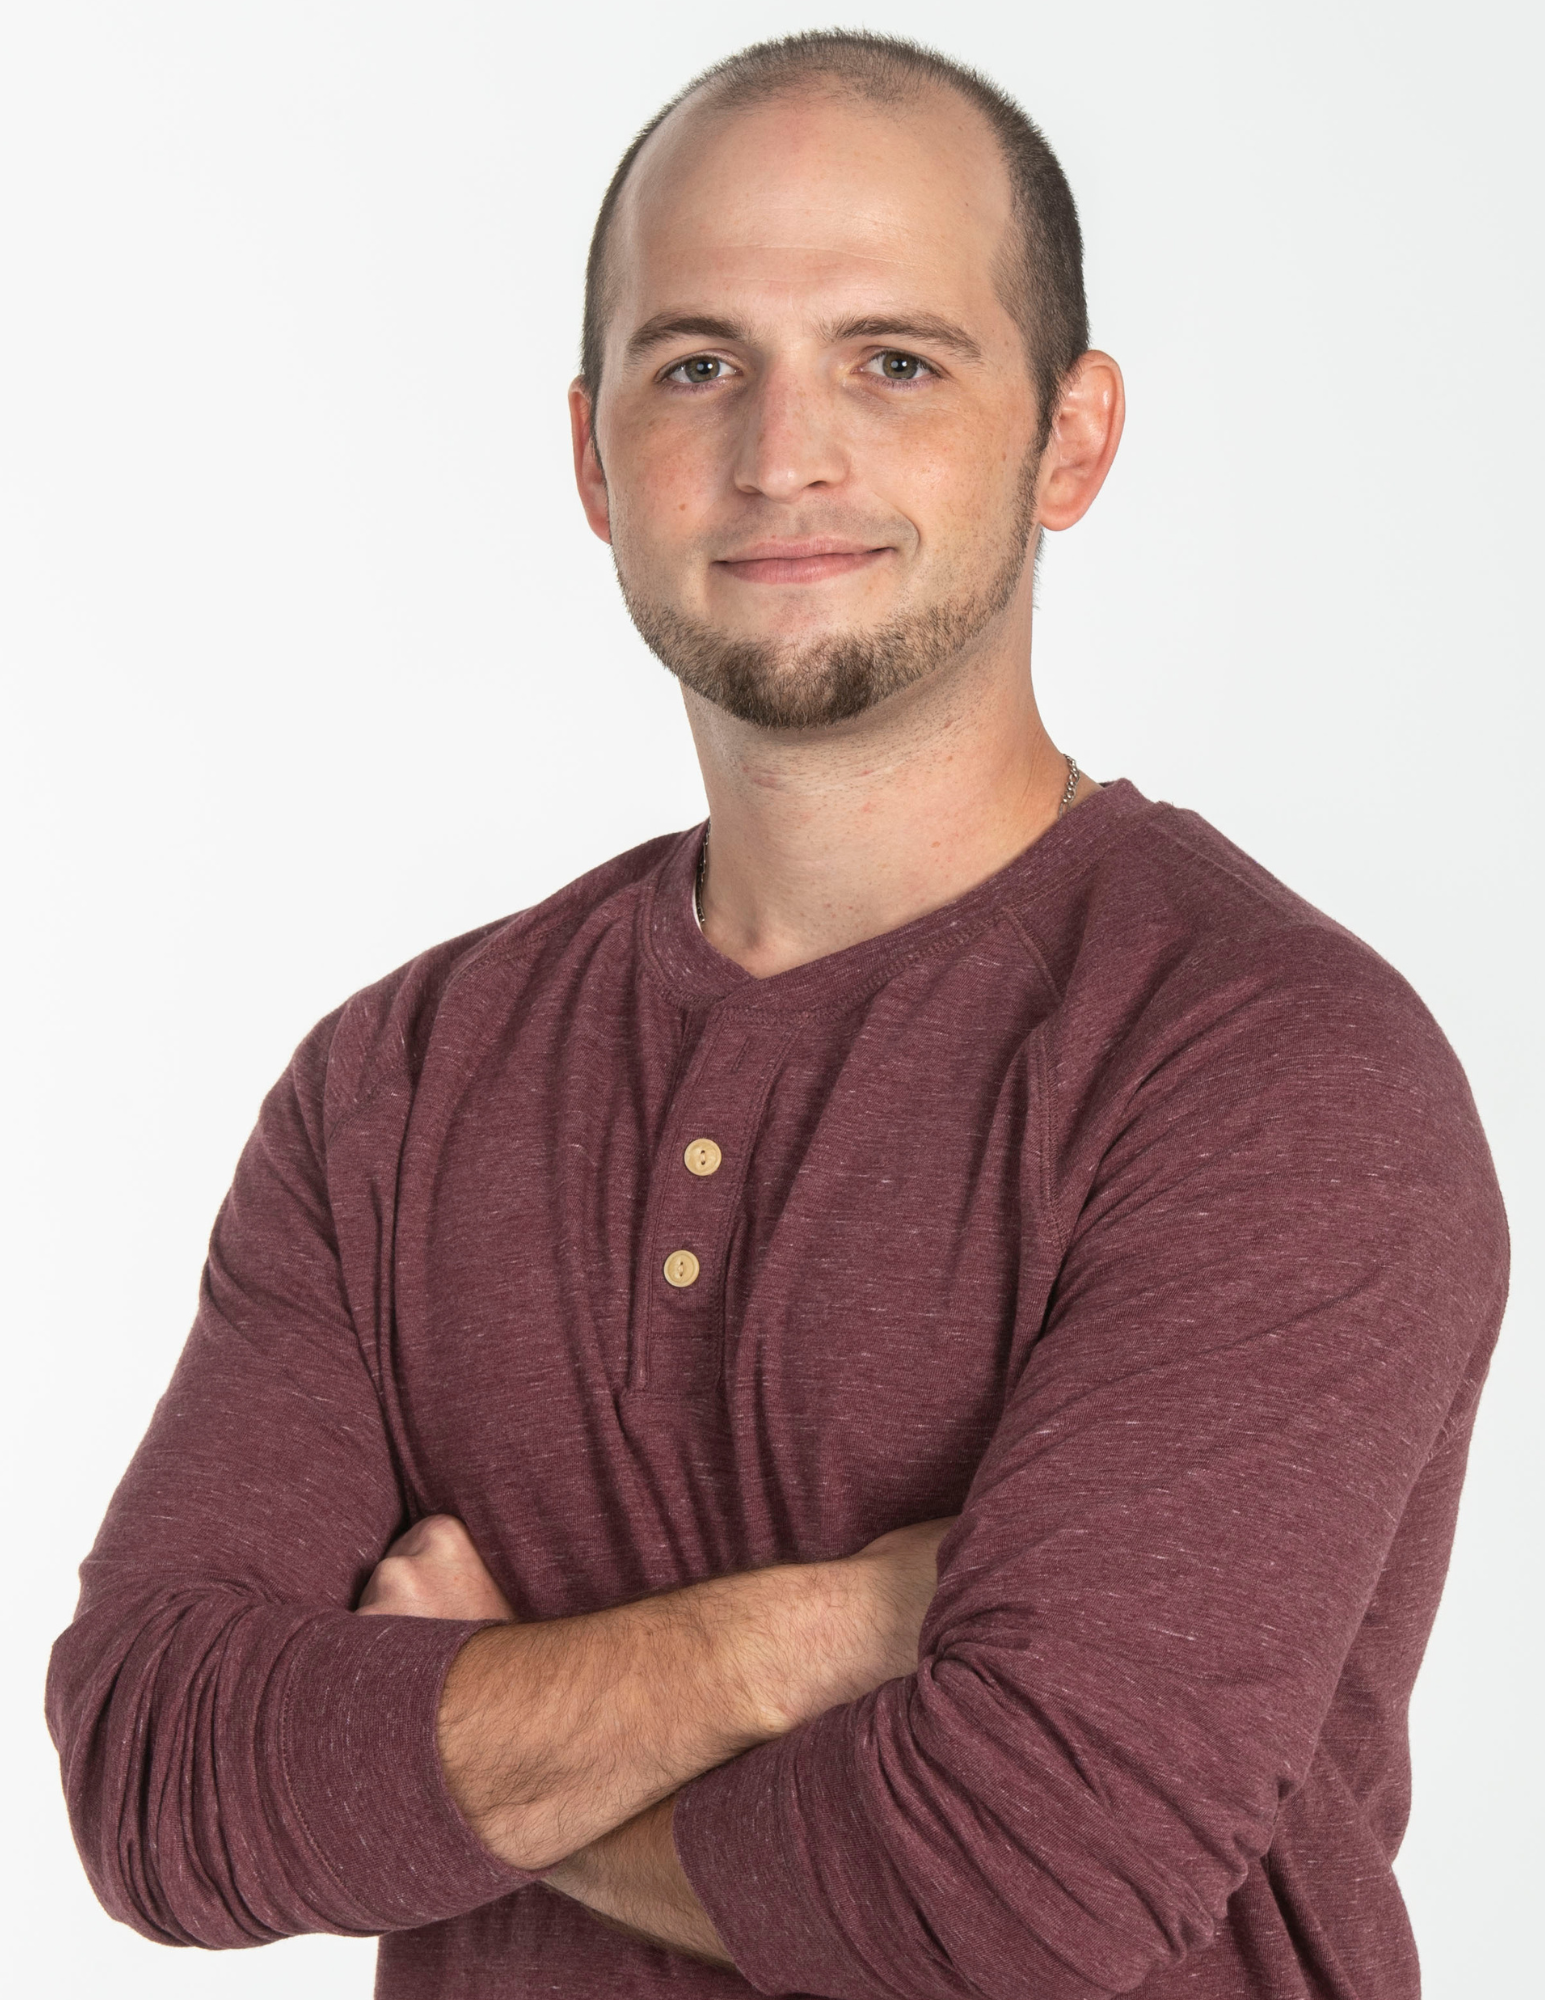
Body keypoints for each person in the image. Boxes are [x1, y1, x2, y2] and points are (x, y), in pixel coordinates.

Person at [47, 29, 1508, 2000]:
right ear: (591, 455)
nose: (780, 454)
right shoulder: (394, 1083)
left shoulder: (1264, 1071)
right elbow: (157, 1777)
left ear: (1069, 438)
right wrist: (812, 1632)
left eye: (892, 360)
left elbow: (1009, 1887)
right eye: (696, 363)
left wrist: (475, 1708)